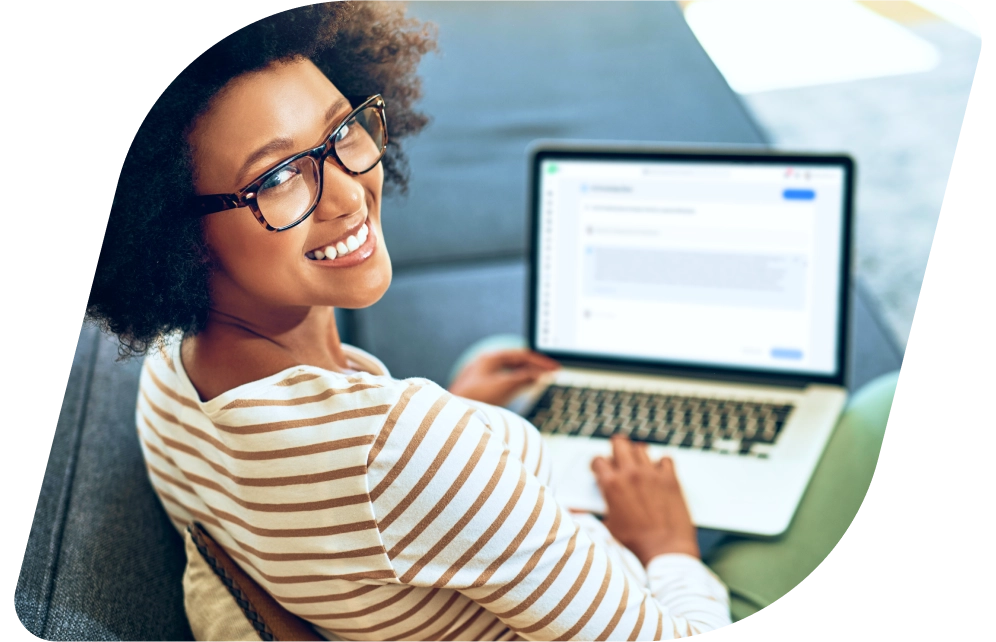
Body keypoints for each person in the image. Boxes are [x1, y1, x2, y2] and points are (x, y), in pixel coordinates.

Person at [86, 2, 732, 639]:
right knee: (839, 427)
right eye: (279, 177)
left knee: (509, 354)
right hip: (651, 595)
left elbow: (365, 496)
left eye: (341, 132)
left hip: (445, 516)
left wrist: (457, 414)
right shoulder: (411, 451)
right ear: (177, 232)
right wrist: (668, 548)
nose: (346, 196)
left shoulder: (171, 378)